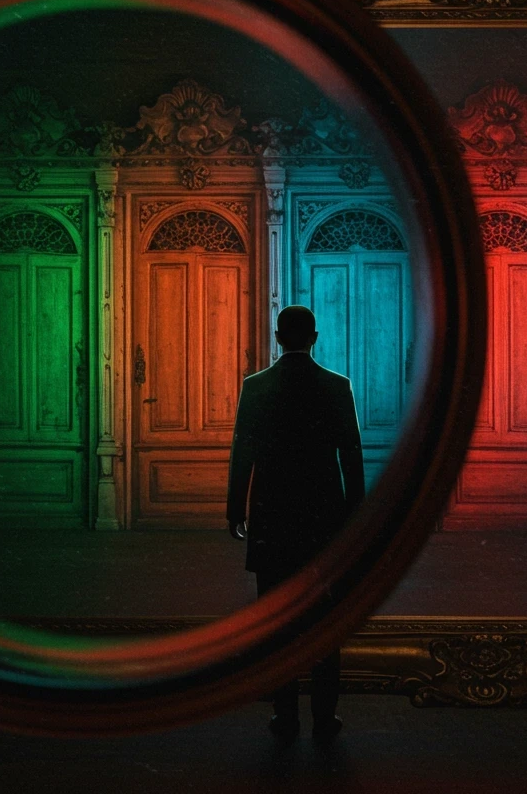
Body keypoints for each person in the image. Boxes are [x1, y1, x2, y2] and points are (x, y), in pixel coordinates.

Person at [226, 305, 366, 743]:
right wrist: (355, 514)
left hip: (272, 515)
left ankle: (284, 716)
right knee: (325, 620)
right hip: (323, 517)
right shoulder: (337, 386)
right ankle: (325, 717)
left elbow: (243, 452)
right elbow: (351, 453)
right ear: (314, 338)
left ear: (277, 337)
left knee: (275, 621)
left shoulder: (256, 387)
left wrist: (235, 509)